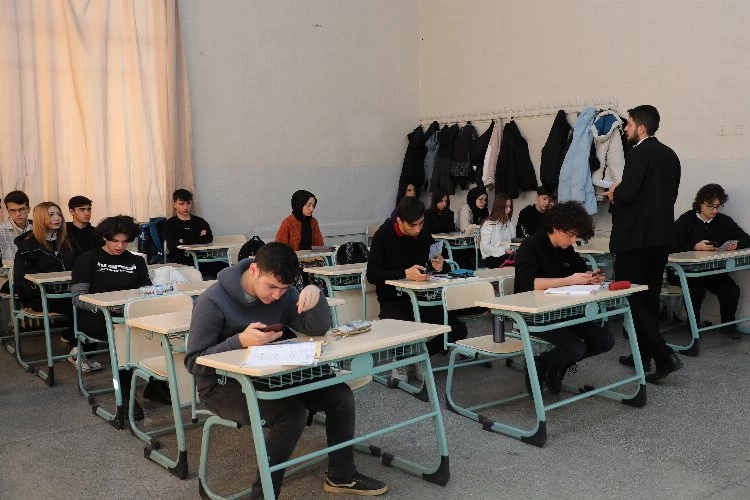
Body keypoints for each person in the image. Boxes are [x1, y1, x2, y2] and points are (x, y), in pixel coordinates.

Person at [185, 242, 387, 499]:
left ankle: (341, 475)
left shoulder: (283, 291)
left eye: (284, 289)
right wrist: (239, 341)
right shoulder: (211, 301)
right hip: (222, 387)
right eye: (271, 287)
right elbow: (194, 362)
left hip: (272, 374)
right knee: (291, 414)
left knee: (340, 396)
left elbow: (315, 329)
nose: (277, 296)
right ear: (254, 270)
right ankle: (264, 495)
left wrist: (315, 295)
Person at [605, 104, 683, 382]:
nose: (625, 129)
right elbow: (666, 196)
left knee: (633, 298)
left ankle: (664, 356)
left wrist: (614, 193)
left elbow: (628, 195)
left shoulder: (639, 153)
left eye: (628, 124)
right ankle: (643, 355)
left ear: (641, 127)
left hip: (635, 240)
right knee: (649, 298)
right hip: (661, 238)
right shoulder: (670, 155)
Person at [514, 201, 614, 392]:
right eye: (571, 235)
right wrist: (569, 280)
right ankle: (539, 364)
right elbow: (528, 283)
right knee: (575, 348)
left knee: (605, 341)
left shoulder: (565, 248)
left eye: (576, 236)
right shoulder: (531, 245)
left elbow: (579, 271)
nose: (573, 240)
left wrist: (590, 277)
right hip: (534, 314)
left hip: (562, 310)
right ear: (556, 227)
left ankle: (557, 365)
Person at [367, 197, 468, 382]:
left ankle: (418, 356)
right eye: (412, 225)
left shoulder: (423, 234)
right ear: (399, 221)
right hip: (394, 299)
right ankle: (401, 359)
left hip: (423, 298)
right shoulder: (384, 235)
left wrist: (440, 265)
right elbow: (372, 274)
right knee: (402, 326)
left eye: (421, 224)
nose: (417, 229)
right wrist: (404, 273)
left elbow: (438, 262)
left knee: (457, 330)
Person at [71, 215, 154, 416]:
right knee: (123, 335)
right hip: (96, 316)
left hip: (128, 314)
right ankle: (124, 394)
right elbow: (78, 298)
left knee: (157, 331)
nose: (120, 246)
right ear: (104, 238)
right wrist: (104, 307)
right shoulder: (88, 259)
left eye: (125, 241)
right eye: (115, 241)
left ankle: (157, 385)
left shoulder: (136, 261)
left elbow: (147, 292)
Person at [673, 184, 750, 339]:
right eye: (710, 206)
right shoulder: (686, 220)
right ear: (700, 203)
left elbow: (746, 238)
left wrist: (737, 244)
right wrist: (695, 246)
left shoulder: (724, 221)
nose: (714, 210)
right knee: (696, 291)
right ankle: (693, 326)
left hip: (711, 270)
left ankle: (729, 326)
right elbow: (670, 245)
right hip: (686, 272)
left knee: (731, 290)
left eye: (718, 206)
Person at [13, 202, 76, 345]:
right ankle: (77, 348)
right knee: (78, 305)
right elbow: (24, 279)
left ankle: (80, 343)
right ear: (40, 218)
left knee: (87, 302)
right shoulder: (28, 246)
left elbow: (79, 266)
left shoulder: (68, 241)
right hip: (41, 297)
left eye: (59, 214)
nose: (57, 218)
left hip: (68, 292)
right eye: (51, 215)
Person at [164, 189, 219, 274]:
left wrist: (184, 240)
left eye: (188, 203)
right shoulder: (170, 224)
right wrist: (197, 238)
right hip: (181, 262)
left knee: (226, 268)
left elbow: (208, 239)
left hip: (202, 259)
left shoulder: (200, 222)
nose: (186, 207)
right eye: (181, 204)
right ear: (174, 204)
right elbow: (172, 246)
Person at [479, 193, 516, 268]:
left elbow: (512, 243)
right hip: (491, 258)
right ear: (499, 208)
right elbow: (486, 248)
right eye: (506, 207)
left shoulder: (510, 224)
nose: (509, 210)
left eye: (510, 207)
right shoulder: (489, 224)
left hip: (507, 255)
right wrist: (504, 250)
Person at [0, 190, 32, 267]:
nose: (18, 214)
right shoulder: (1, 231)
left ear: (29, 209)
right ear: (8, 211)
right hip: (8, 274)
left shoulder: (38, 230)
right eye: (12, 210)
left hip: (34, 274)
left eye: (22, 209)